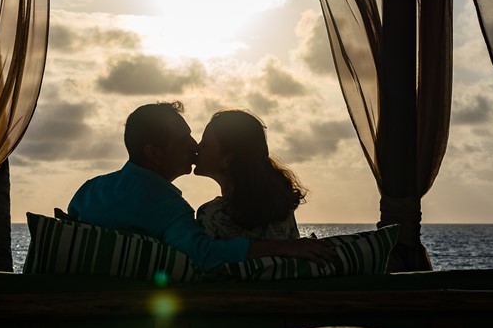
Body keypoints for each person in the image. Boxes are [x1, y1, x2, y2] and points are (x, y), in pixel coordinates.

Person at [68, 101, 333, 272]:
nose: (195, 147)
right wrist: (284, 247)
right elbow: (204, 255)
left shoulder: (87, 193)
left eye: (199, 140)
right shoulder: (170, 211)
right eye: (184, 141)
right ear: (155, 154)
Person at [194, 109, 304, 240]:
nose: (197, 147)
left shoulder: (211, 215)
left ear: (227, 160)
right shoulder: (280, 206)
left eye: (205, 144)